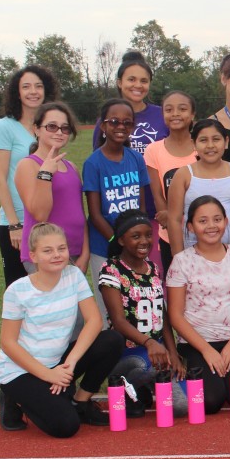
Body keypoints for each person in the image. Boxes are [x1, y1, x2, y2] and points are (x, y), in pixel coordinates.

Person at [0, 222, 122, 436]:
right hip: (22, 369)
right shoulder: (17, 291)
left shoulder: (73, 276)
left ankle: (80, 402)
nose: (57, 255)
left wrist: (69, 364)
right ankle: (14, 398)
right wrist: (48, 375)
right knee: (66, 427)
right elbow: (8, 343)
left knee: (112, 340)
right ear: (33, 256)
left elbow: (94, 320)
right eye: (48, 250)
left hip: (59, 363)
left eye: (61, 248)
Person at [165, 195, 230, 415]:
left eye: (217, 219)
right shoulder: (181, 261)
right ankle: (179, 380)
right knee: (210, 401)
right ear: (190, 227)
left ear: (226, 222)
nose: (211, 226)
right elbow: (176, 315)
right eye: (203, 221)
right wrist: (206, 350)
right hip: (197, 344)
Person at [98, 210, 186, 418]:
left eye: (148, 234)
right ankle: (126, 385)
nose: (144, 241)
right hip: (129, 352)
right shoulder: (111, 270)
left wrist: (172, 352)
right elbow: (118, 321)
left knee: (183, 407)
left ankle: (144, 387)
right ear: (121, 240)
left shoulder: (153, 268)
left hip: (157, 350)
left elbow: (161, 315)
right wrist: (149, 343)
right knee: (144, 366)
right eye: (135, 236)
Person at [83, 98, 150, 318]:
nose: (121, 127)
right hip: (105, 246)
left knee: (136, 302)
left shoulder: (136, 158)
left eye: (127, 123)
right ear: (103, 126)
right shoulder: (93, 163)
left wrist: (137, 239)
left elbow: (140, 206)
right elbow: (94, 213)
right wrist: (116, 242)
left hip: (133, 245)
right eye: (114, 122)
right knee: (109, 310)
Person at [0, 64, 57, 286]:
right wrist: (14, 225)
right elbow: (0, 179)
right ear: (17, 92)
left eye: (38, 86)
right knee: (18, 289)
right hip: (17, 223)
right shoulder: (4, 127)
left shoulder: (50, 126)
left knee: (50, 289)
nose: (33, 91)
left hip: (47, 220)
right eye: (26, 86)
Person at [15, 102, 88, 275]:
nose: (59, 132)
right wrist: (45, 174)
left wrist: (85, 254)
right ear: (37, 129)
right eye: (52, 126)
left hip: (74, 252)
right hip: (45, 255)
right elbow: (40, 214)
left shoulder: (71, 167)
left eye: (65, 128)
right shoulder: (28, 165)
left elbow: (80, 215)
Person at [167, 120, 230, 254]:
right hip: (194, 250)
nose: (210, 145)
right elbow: (174, 219)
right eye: (203, 140)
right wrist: (178, 257)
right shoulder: (183, 175)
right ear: (193, 144)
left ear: (226, 142)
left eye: (216, 139)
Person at [142, 91, 198, 272]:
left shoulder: (202, 146)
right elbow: (157, 193)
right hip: (170, 235)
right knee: (177, 289)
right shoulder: (153, 150)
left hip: (203, 232)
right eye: (169, 109)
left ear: (192, 115)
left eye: (182, 109)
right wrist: (166, 214)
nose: (175, 113)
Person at [92, 51, 166, 154]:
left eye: (144, 81)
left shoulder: (163, 115)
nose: (138, 85)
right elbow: (98, 160)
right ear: (119, 83)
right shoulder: (107, 120)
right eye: (131, 79)